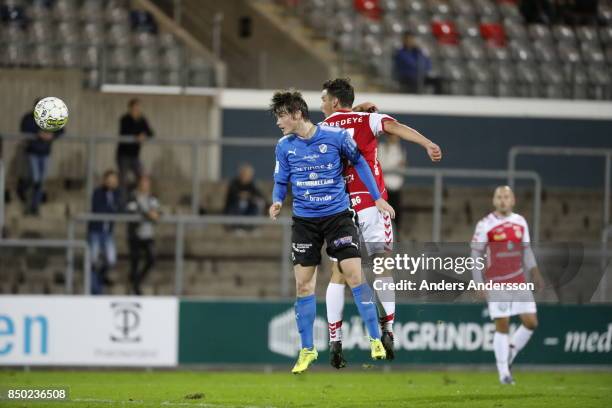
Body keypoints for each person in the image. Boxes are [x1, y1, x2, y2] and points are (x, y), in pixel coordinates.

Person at [268, 89, 395, 374]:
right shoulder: (284, 146)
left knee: (353, 274)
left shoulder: (335, 137)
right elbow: (280, 180)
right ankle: (307, 350)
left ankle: (375, 338)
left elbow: (360, 162)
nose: (278, 122)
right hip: (304, 222)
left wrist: (377, 197)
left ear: (297, 114)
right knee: (303, 285)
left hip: (337, 216)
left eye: (282, 116)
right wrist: (277, 201)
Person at [320, 78, 442, 367]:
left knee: (338, 274)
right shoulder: (370, 119)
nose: (322, 104)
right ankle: (387, 330)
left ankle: (335, 338)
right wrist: (427, 143)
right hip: (373, 204)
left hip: (341, 209)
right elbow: (396, 128)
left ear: (335, 102)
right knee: (382, 267)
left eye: (324, 99)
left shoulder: (321, 130)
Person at [470, 186, 545, 385]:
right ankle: (504, 373)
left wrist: (535, 271)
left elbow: (526, 250)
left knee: (531, 322)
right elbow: (475, 255)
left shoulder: (520, 221)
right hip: (496, 281)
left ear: (513, 200)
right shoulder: (485, 224)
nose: (503, 200)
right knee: (502, 325)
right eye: (499, 197)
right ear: (494, 201)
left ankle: (509, 352)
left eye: (506, 197)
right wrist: (478, 282)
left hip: (519, 280)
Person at [19, 99, 64, 215]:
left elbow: (61, 130)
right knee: (35, 179)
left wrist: (52, 134)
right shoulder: (29, 118)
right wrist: (38, 133)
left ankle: (35, 206)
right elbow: (25, 128)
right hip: (33, 152)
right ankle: (28, 201)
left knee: (40, 181)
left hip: (45, 153)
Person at [88, 170, 121, 295]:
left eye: (115, 180)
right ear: (105, 180)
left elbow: (120, 208)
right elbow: (99, 209)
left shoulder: (117, 194)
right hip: (96, 231)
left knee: (111, 259)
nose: (113, 182)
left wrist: (113, 209)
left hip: (108, 233)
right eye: (110, 179)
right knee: (94, 261)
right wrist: (112, 209)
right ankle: (95, 290)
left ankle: (101, 279)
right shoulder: (98, 192)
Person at [126, 175, 160, 295]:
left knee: (151, 258)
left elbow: (156, 212)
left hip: (147, 234)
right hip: (135, 234)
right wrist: (147, 214)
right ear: (139, 184)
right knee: (135, 261)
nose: (145, 185)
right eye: (143, 182)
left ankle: (136, 281)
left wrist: (153, 214)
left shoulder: (152, 197)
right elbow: (132, 210)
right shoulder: (132, 196)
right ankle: (135, 288)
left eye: (147, 183)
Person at [116, 98, 154, 204]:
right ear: (130, 108)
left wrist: (144, 135)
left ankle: (139, 200)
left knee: (141, 177)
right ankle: (122, 203)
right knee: (123, 179)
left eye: (138, 108)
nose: (136, 110)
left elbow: (151, 133)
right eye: (134, 108)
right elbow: (124, 132)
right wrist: (137, 135)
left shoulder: (142, 119)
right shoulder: (125, 119)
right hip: (123, 154)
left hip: (135, 155)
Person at [224, 163, 266, 232]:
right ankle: (237, 227)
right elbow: (234, 197)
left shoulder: (252, 184)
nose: (246, 176)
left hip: (250, 209)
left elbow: (260, 196)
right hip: (234, 209)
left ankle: (254, 227)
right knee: (242, 202)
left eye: (248, 175)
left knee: (259, 203)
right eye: (245, 174)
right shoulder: (234, 183)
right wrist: (244, 196)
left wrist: (251, 197)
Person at [378, 134, 407, 230]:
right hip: (384, 188)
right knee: (383, 216)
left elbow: (402, 169)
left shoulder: (401, 150)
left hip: (396, 187)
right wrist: (396, 165)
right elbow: (381, 166)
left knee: (397, 215)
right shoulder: (382, 148)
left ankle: (397, 239)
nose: (396, 138)